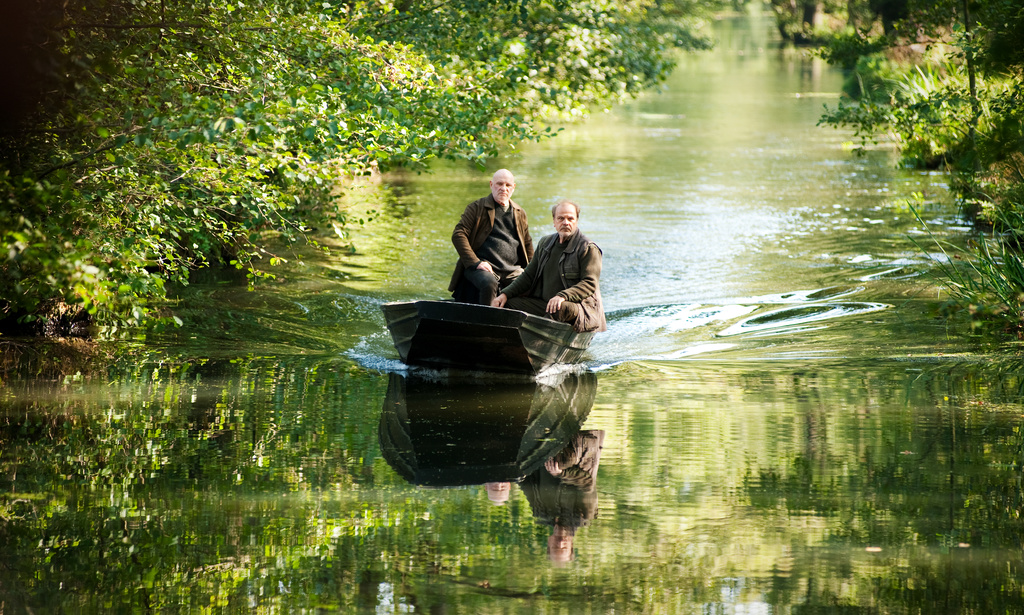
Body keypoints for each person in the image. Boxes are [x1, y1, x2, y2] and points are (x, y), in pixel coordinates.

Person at [491, 200, 607, 333]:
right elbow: (528, 276)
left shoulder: (588, 248)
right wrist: (505, 294)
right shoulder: (545, 243)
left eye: (570, 219)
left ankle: (538, 339)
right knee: (507, 303)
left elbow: (589, 283)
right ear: (554, 222)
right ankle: (508, 338)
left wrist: (563, 296)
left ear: (576, 221)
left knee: (559, 307)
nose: (566, 222)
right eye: (561, 218)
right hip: (545, 304)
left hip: (578, 308)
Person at [449, 169, 534, 305]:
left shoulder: (519, 212)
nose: (503, 188)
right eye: (499, 184)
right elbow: (458, 234)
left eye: (508, 185)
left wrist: (533, 271)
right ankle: (486, 316)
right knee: (489, 283)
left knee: (532, 286)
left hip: (512, 270)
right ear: (491, 185)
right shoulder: (476, 208)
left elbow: (528, 244)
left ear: (513, 187)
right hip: (484, 267)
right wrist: (476, 262)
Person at [520, 430, 605, 563]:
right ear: (571, 545)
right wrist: (561, 473)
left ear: (549, 542)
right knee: (562, 462)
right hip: (582, 442)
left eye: (555, 547)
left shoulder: (540, 511)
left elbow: (526, 483)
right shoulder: (584, 515)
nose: (560, 543)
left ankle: (543, 431)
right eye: (564, 548)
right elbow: (587, 483)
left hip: (545, 444)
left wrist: (509, 475)